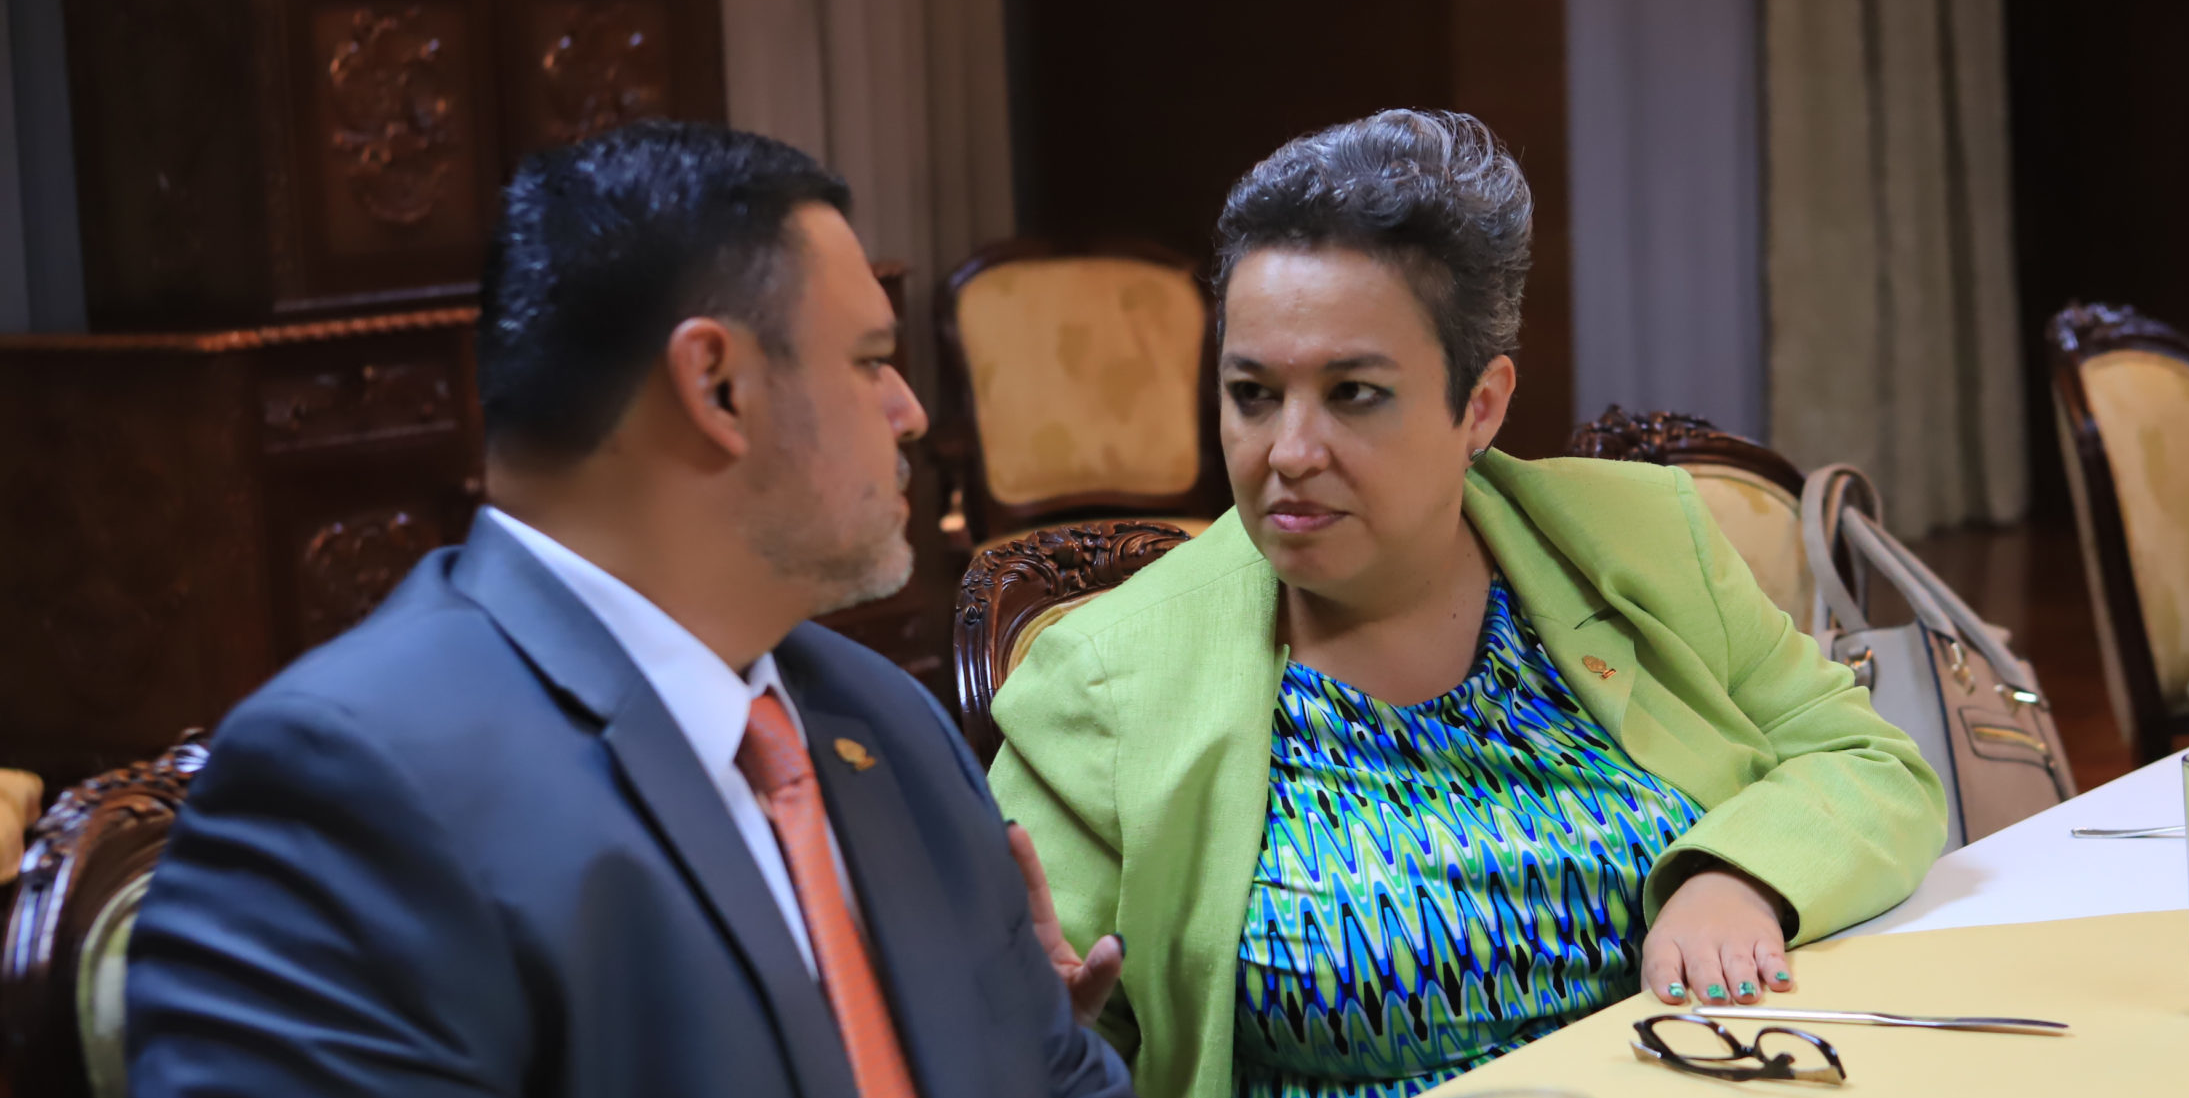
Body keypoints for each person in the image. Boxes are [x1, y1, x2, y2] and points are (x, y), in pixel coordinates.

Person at [125, 123, 1131, 1098]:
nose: (908, 411)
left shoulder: (886, 720)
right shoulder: (355, 789)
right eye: (870, 359)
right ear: (718, 385)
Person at [989, 110, 1945, 1098]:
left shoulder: (1634, 541)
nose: (1289, 450)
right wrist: (1040, 1045)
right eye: (1253, 393)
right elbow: (1034, 1026)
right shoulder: (1107, 681)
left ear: (1480, 405)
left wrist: (1734, 875)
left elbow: (1871, 762)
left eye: (1353, 392)